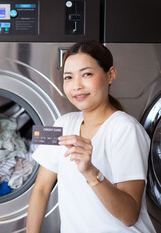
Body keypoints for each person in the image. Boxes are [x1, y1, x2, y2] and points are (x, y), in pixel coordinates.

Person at [26, 41, 156, 233]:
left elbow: (129, 216)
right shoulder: (64, 124)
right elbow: (41, 190)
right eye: (68, 77)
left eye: (87, 74)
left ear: (110, 75)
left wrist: (90, 172)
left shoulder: (124, 129)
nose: (77, 85)